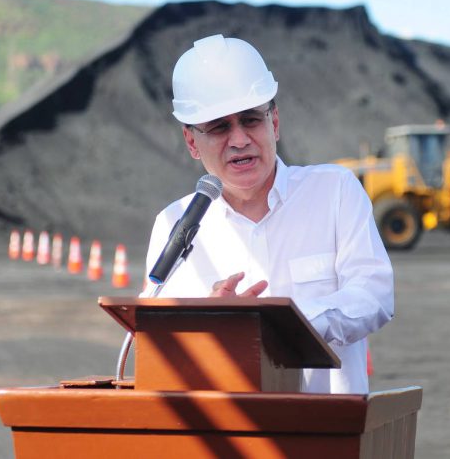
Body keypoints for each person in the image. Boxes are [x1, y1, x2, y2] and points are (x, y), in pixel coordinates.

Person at [143, 34, 394, 394]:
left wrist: (281, 325)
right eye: (219, 127)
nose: (239, 140)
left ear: (274, 122)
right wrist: (205, 321)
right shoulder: (174, 223)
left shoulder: (335, 191)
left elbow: (374, 295)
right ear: (192, 142)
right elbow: (154, 343)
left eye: (250, 120)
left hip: (326, 425)